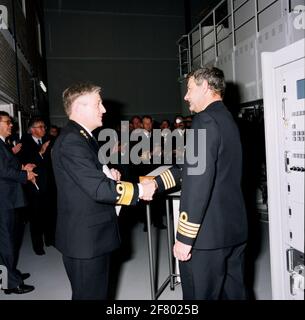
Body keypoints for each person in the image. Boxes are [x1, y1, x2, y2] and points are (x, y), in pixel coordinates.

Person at [51, 83, 155, 300]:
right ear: (79, 107)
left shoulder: (84, 137)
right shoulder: (72, 141)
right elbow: (97, 188)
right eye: (98, 104)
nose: (104, 109)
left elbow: (91, 179)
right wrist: (139, 190)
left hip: (92, 235)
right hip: (85, 240)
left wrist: (109, 175)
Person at [153, 67, 248, 300]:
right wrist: (155, 184)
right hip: (232, 231)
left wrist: (185, 239)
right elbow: (191, 168)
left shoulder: (204, 120)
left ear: (205, 87)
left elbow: (197, 185)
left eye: (189, 89)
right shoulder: (227, 119)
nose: (186, 96)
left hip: (206, 238)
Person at [0, 111, 36, 295]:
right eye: (7, 122)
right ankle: (9, 283)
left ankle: (10, 275)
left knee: (8, 242)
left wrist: (22, 167)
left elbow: (6, 167)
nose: (11, 125)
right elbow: (3, 172)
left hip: (8, 200)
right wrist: (25, 175)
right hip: (3, 202)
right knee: (5, 243)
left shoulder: (2, 144)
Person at [18, 118, 54, 255]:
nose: (44, 129)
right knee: (36, 218)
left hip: (48, 185)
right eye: (40, 127)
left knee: (49, 214)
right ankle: (38, 246)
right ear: (32, 129)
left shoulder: (48, 140)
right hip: (34, 187)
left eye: (44, 126)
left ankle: (50, 240)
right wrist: (40, 152)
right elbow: (25, 163)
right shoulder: (24, 143)